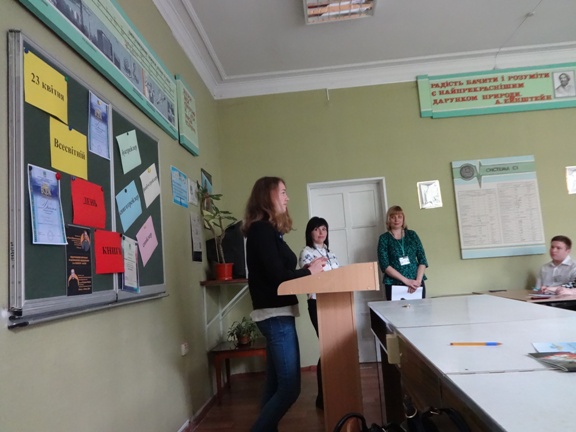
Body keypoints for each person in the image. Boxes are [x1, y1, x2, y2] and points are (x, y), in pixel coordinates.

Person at [242, 176, 326, 432]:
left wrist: (309, 270)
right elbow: (279, 276)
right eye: (283, 192)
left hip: (278, 314)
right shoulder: (261, 231)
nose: (287, 198)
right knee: (290, 388)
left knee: (274, 384)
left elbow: (280, 270)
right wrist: (309, 271)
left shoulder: (270, 231)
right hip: (274, 315)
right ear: (267, 196)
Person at [299, 216, 340, 410]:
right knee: (327, 346)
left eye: (324, 229)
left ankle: (335, 390)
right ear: (310, 232)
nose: (321, 232)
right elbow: (314, 276)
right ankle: (322, 396)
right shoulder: (306, 253)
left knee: (334, 346)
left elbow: (339, 276)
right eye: (316, 229)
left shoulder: (331, 253)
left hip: (335, 302)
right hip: (317, 302)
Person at [377, 205, 428, 301]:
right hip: (394, 284)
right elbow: (384, 265)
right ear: (388, 219)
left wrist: (417, 281)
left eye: (399, 217)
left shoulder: (412, 235)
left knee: (420, 310)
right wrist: (407, 281)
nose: (396, 220)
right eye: (393, 217)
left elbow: (422, 260)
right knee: (397, 311)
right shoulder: (384, 238)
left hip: (416, 283)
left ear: (403, 219)